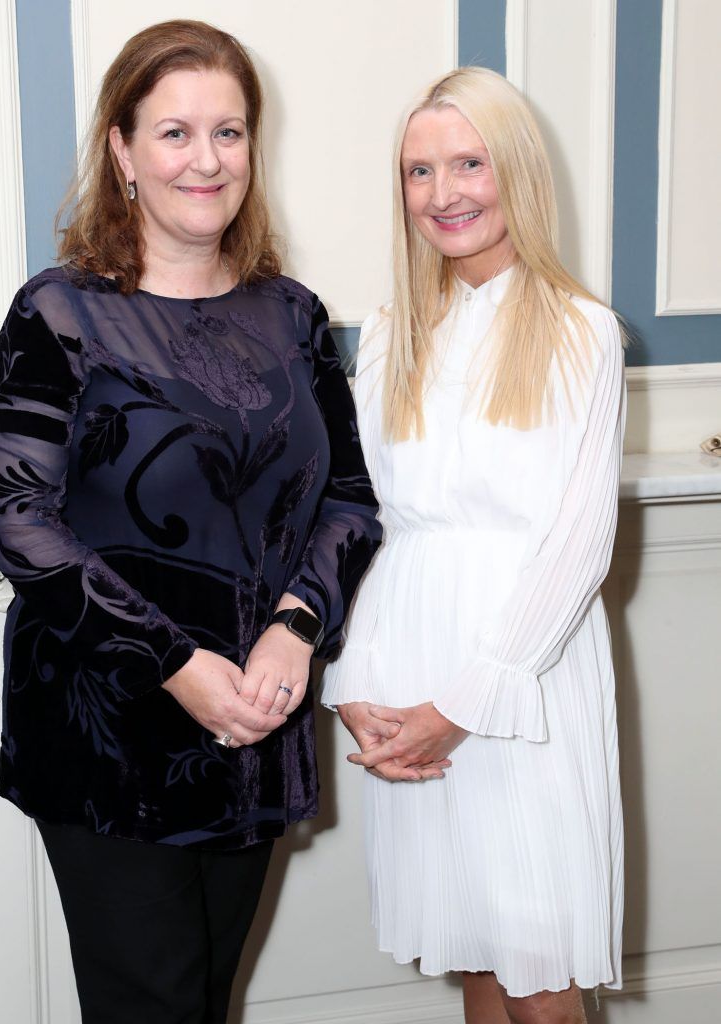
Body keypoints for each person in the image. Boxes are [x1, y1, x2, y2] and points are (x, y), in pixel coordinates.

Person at [0, 20, 381, 1024]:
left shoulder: (291, 316)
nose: (206, 159)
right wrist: (178, 663)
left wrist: (296, 624)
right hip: (112, 731)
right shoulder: (60, 313)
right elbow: (19, 519)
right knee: (149, 1007)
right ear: (121, 150)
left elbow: (350, 501)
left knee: (203, 1001)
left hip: (253, 722)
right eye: (174, 133)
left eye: (229, 132)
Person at [322, 66, 625, 1024]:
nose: (443, 193)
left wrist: (468, 698)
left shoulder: (584, 333)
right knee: (477, 955)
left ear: (517, 173)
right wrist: (357, 681)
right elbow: (370, 523)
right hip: (408, 663)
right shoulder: (388, 339)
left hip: (522, 675)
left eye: (468, 163)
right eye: (419, 171)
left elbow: (578, 548)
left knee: (538, 964)